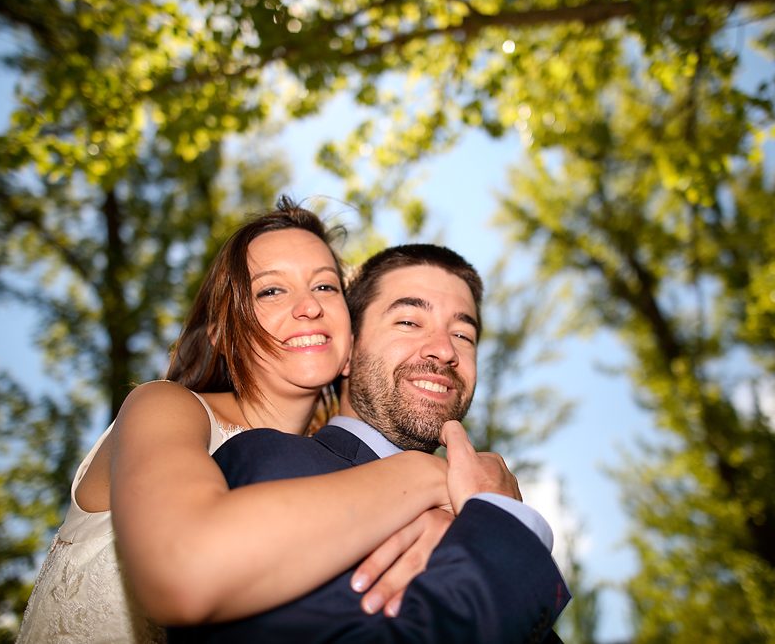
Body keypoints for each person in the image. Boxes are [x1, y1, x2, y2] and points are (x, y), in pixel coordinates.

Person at [17, 201, 461, 644]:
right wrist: (432, 475)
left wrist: (464, 513)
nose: (309, 306)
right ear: (223, 336)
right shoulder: (165, 409)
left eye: (326, 286)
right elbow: (184, 570)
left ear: (351, 345)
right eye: (271, 290)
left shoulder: (345, 478)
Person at [169, 245, 570, 643]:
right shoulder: (267, 462)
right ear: (346, 353)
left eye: (463, 334)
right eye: (409, 321)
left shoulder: (470, 518)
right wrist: (506, 523)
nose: (445, 350)